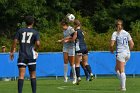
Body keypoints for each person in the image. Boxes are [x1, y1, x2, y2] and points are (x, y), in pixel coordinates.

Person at [10, 16, 40, 93]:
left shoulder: (20, 31)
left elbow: (15, 42)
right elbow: (38, 43)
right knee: (33, 75)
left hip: (22, 55)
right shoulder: (35, 32)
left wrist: (12, 52)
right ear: (33, 23)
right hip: (31, 55)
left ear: (25, 23)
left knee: (21, 75)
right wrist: (35, 49)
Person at [65, 20, 94, 85]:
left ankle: (78, 78)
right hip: (85, 48)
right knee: (85, 62)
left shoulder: (76, 32)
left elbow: (73, 39)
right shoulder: (83, 32)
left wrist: (67, 40)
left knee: (77, 64)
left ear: (75, 25)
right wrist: (64, 39)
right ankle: (91, 73)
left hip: (79, 48)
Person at [110, 19, 134, 91]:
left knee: (121, 70)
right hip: (127, 53)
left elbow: (111, 45)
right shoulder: (126, 33)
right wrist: (128, 51)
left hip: (121, 53)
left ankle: (123, 87)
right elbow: (132, 44)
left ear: (115, 26)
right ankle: (121, 85)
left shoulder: (115, 33)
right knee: (116, 69)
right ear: (122, 25)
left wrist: (111, 50)